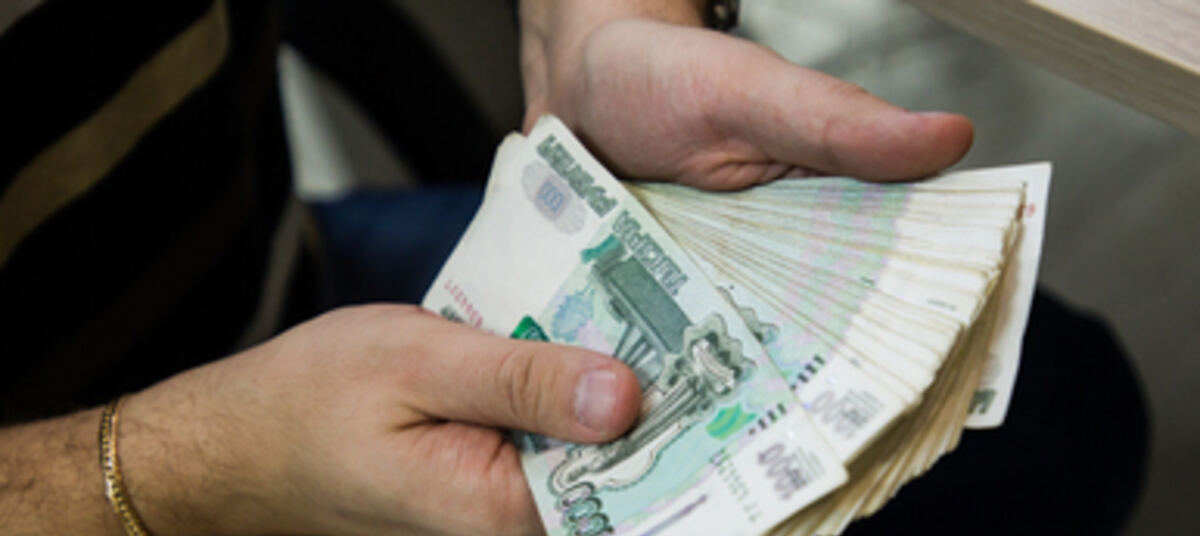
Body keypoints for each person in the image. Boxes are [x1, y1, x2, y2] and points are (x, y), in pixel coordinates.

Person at [4, 1, 1136, 535]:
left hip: (265, 280)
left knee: (1051, 407)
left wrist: (597, 27)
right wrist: (173, 469)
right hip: (99, 477)